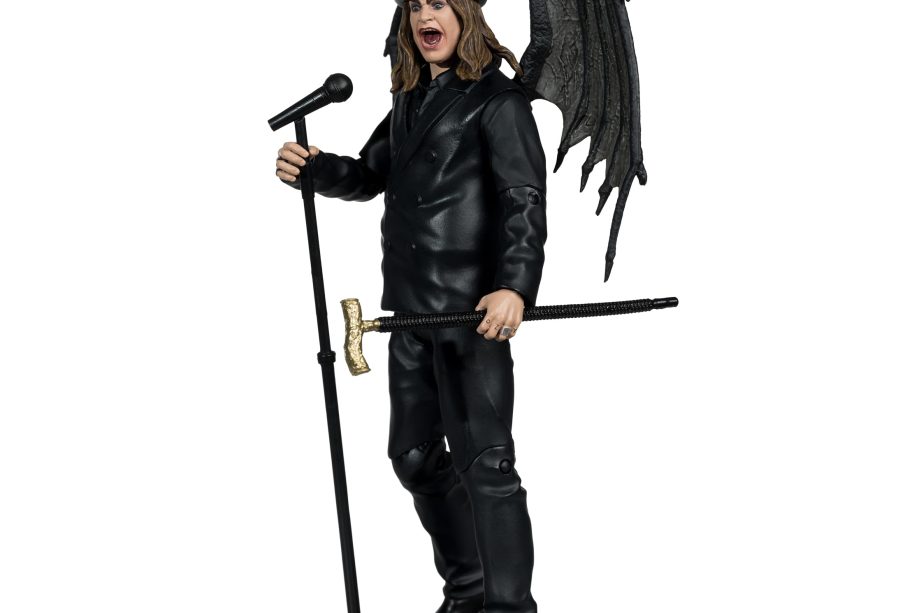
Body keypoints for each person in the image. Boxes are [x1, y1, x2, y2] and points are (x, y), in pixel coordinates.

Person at [276, 1, 546, 611]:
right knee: (415, 459)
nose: (426, 14)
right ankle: (469, 590)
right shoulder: (408, 100)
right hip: (409, 316)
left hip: (471, 319)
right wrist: (317, 170)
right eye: (416, 3)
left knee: (487, 467)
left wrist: (514, 285)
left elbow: (523, 199)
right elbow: (370, 175)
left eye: (440, 2)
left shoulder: (498, 102)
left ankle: (509, 606)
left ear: (466, 14)